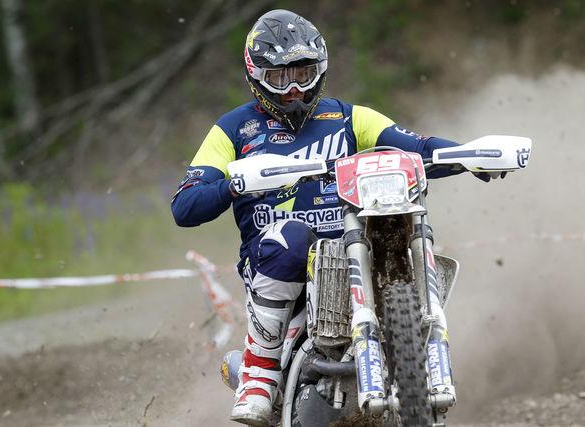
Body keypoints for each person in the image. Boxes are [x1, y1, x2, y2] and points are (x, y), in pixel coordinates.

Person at [171, 9, 499, 426]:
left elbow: (417, 146)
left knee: (397, 223)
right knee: (290, 236)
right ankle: (259, 372)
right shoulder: (234, 129)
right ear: (257, 76)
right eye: (280, 78)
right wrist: (234, 184)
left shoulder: (350, 118)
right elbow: (185, 205)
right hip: (279, 261)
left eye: (303, 74)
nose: (294, 89)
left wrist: (469, 156)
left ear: (321, 70)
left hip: (353, 247)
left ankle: (418, 354)